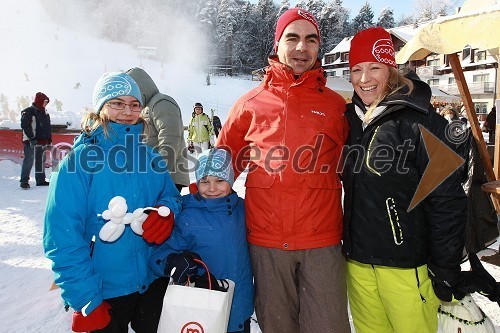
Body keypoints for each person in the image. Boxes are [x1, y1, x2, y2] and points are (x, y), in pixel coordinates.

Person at [216, 8, 350, 332]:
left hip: (322, 242)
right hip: (267, 243)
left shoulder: (335, 106)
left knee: (328, 327)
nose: (302, 48)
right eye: (292, 38)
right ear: (277, 44)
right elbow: (221, 168)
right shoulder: (250, 103)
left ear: (319, 47)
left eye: (311, 39)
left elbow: (357, 170)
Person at [341, 27, 467, 333]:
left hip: (406, 266)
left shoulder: (421, 121)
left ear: (391, 69)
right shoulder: (349, 120)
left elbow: (447, 199)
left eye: (374, 67)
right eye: (356, 69)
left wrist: (446, 264)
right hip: (358, 264)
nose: (364, 78)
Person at [43, 72, 182, 333]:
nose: (127, 111)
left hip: (151, 281)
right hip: (102, 290)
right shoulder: (77, 163)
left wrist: (167, 213)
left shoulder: (150, 157)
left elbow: (170, 196)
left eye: (134, 104)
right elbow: (62, 239)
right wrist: (86, 300)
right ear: (100, 108)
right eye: (117, 103)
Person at [150, 148, 254, 333]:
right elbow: (158, 255)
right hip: (203, 310)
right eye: (205, 182)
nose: (212, 188)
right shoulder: (188, 216)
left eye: (220, 181)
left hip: (240, 310)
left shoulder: (243, 210)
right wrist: (173, 262)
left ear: (230, 180)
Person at [126, 67, 189, 191]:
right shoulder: (146, 108)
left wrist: (160, 172)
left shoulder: (161, 102)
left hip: (168, 176)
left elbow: (170, 138)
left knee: (163, 209)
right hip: (154, 174)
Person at [20, 91, 52, 188]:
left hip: (42, 141)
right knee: (28, 161)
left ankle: (40, 180)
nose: (45, 104)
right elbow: (25, 125)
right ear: (39, 101)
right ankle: (24, 181)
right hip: (31, 141)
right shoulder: (29, 111)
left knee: (40, 161)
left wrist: (49, 140)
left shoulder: (45, 113)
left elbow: (47, 128)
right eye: (44, 101)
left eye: (46, 102)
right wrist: (31, 138)